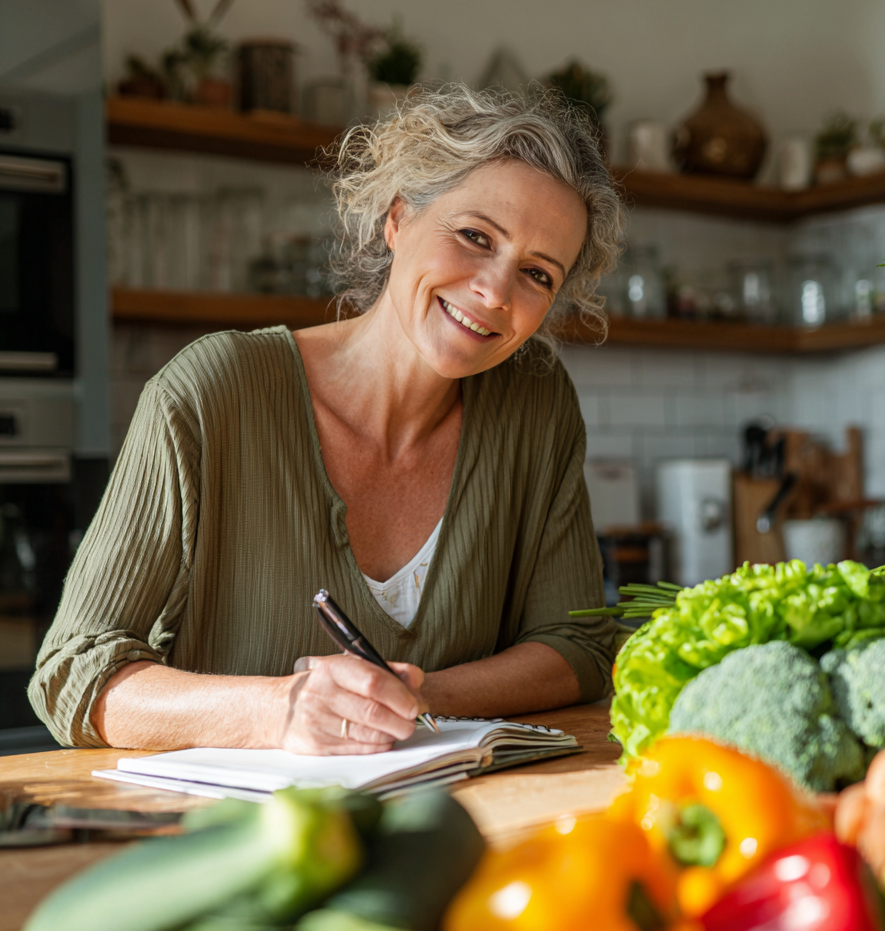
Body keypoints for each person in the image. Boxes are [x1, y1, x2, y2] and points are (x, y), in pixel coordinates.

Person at [30, 86, 623, 755]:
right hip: (233, 837)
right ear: (398, 219)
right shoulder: (210, 393)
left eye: (538, 275)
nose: (495, 290)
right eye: (474, 236)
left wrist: (406, 697)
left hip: (463, 828)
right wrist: (280, 711)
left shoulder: (535, 406)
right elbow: (73, 673)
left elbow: (576, 649)